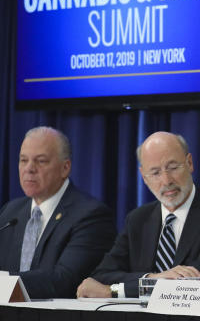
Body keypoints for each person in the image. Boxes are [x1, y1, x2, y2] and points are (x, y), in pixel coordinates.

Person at [77, 132, 200, 303]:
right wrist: (153, 278)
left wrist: (112, 291)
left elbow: (193, 286)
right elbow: (102, 275)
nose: (166, 180)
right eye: (155, 173)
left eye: (173, 168)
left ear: (189, 163)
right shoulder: (138, 220)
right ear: (143, 177)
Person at [0, 127, 115, 299]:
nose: (29, 169)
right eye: (23, 160)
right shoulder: (10, 212)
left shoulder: (91, 215)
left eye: (41, 161)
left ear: (65, 167)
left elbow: (65, 281)